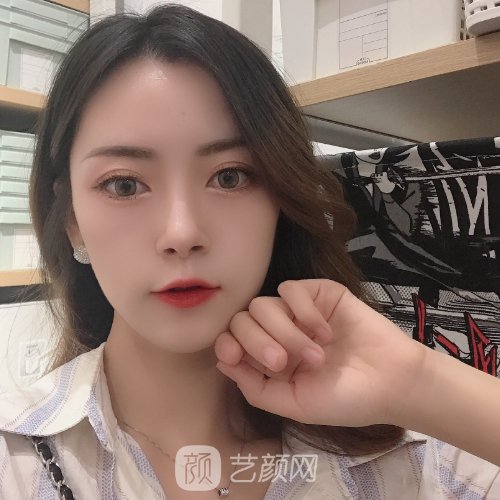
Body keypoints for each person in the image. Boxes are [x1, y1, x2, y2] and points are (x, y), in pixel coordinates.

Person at [0, 4, 499, 499]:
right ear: (71, 221)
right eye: (124, 185)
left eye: (229, 177)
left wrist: (417, 382)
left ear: (280, 199)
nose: (182, 233)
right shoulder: (17, 462)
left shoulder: (408, 461)